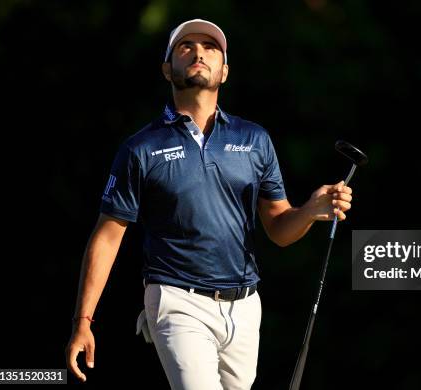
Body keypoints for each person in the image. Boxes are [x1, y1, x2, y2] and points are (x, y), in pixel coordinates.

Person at [65, 18, 353, 389]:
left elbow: (280, 228)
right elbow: (107, 237)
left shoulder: (254, 139)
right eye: (186, 47)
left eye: (210, 47)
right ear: (168, 69)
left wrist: (310, 211)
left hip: (245, 306)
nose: (199, 52)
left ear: (225, 71)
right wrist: (83, 322)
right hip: (175, 299)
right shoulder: (141, 148)